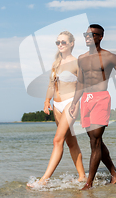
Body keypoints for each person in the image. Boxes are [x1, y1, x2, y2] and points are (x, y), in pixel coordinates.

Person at [69, 24, 116, 190]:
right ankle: (114, 173)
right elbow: (81, 82)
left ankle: (89, 183)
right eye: (86, 34)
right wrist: (74, 102)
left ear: (100, 37)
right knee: (94, 140)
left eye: (92, 34)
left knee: (95, 141)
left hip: (101, 99)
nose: (87, 37)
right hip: (86, 99)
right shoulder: (82, 58)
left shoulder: (109, 57)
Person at [27, 31, 86, 188]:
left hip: (70, 103)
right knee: (70, 141)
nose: (60, 45)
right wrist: (47, 100)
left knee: (57, 140)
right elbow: (51, 85)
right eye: (58, 42)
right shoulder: (56, 63)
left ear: (71, 44)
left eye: (63, 42)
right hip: (56, 105)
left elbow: (82, 85)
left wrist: (75, 102)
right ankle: (82, 176)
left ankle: (44, 180)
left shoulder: (77, 62)